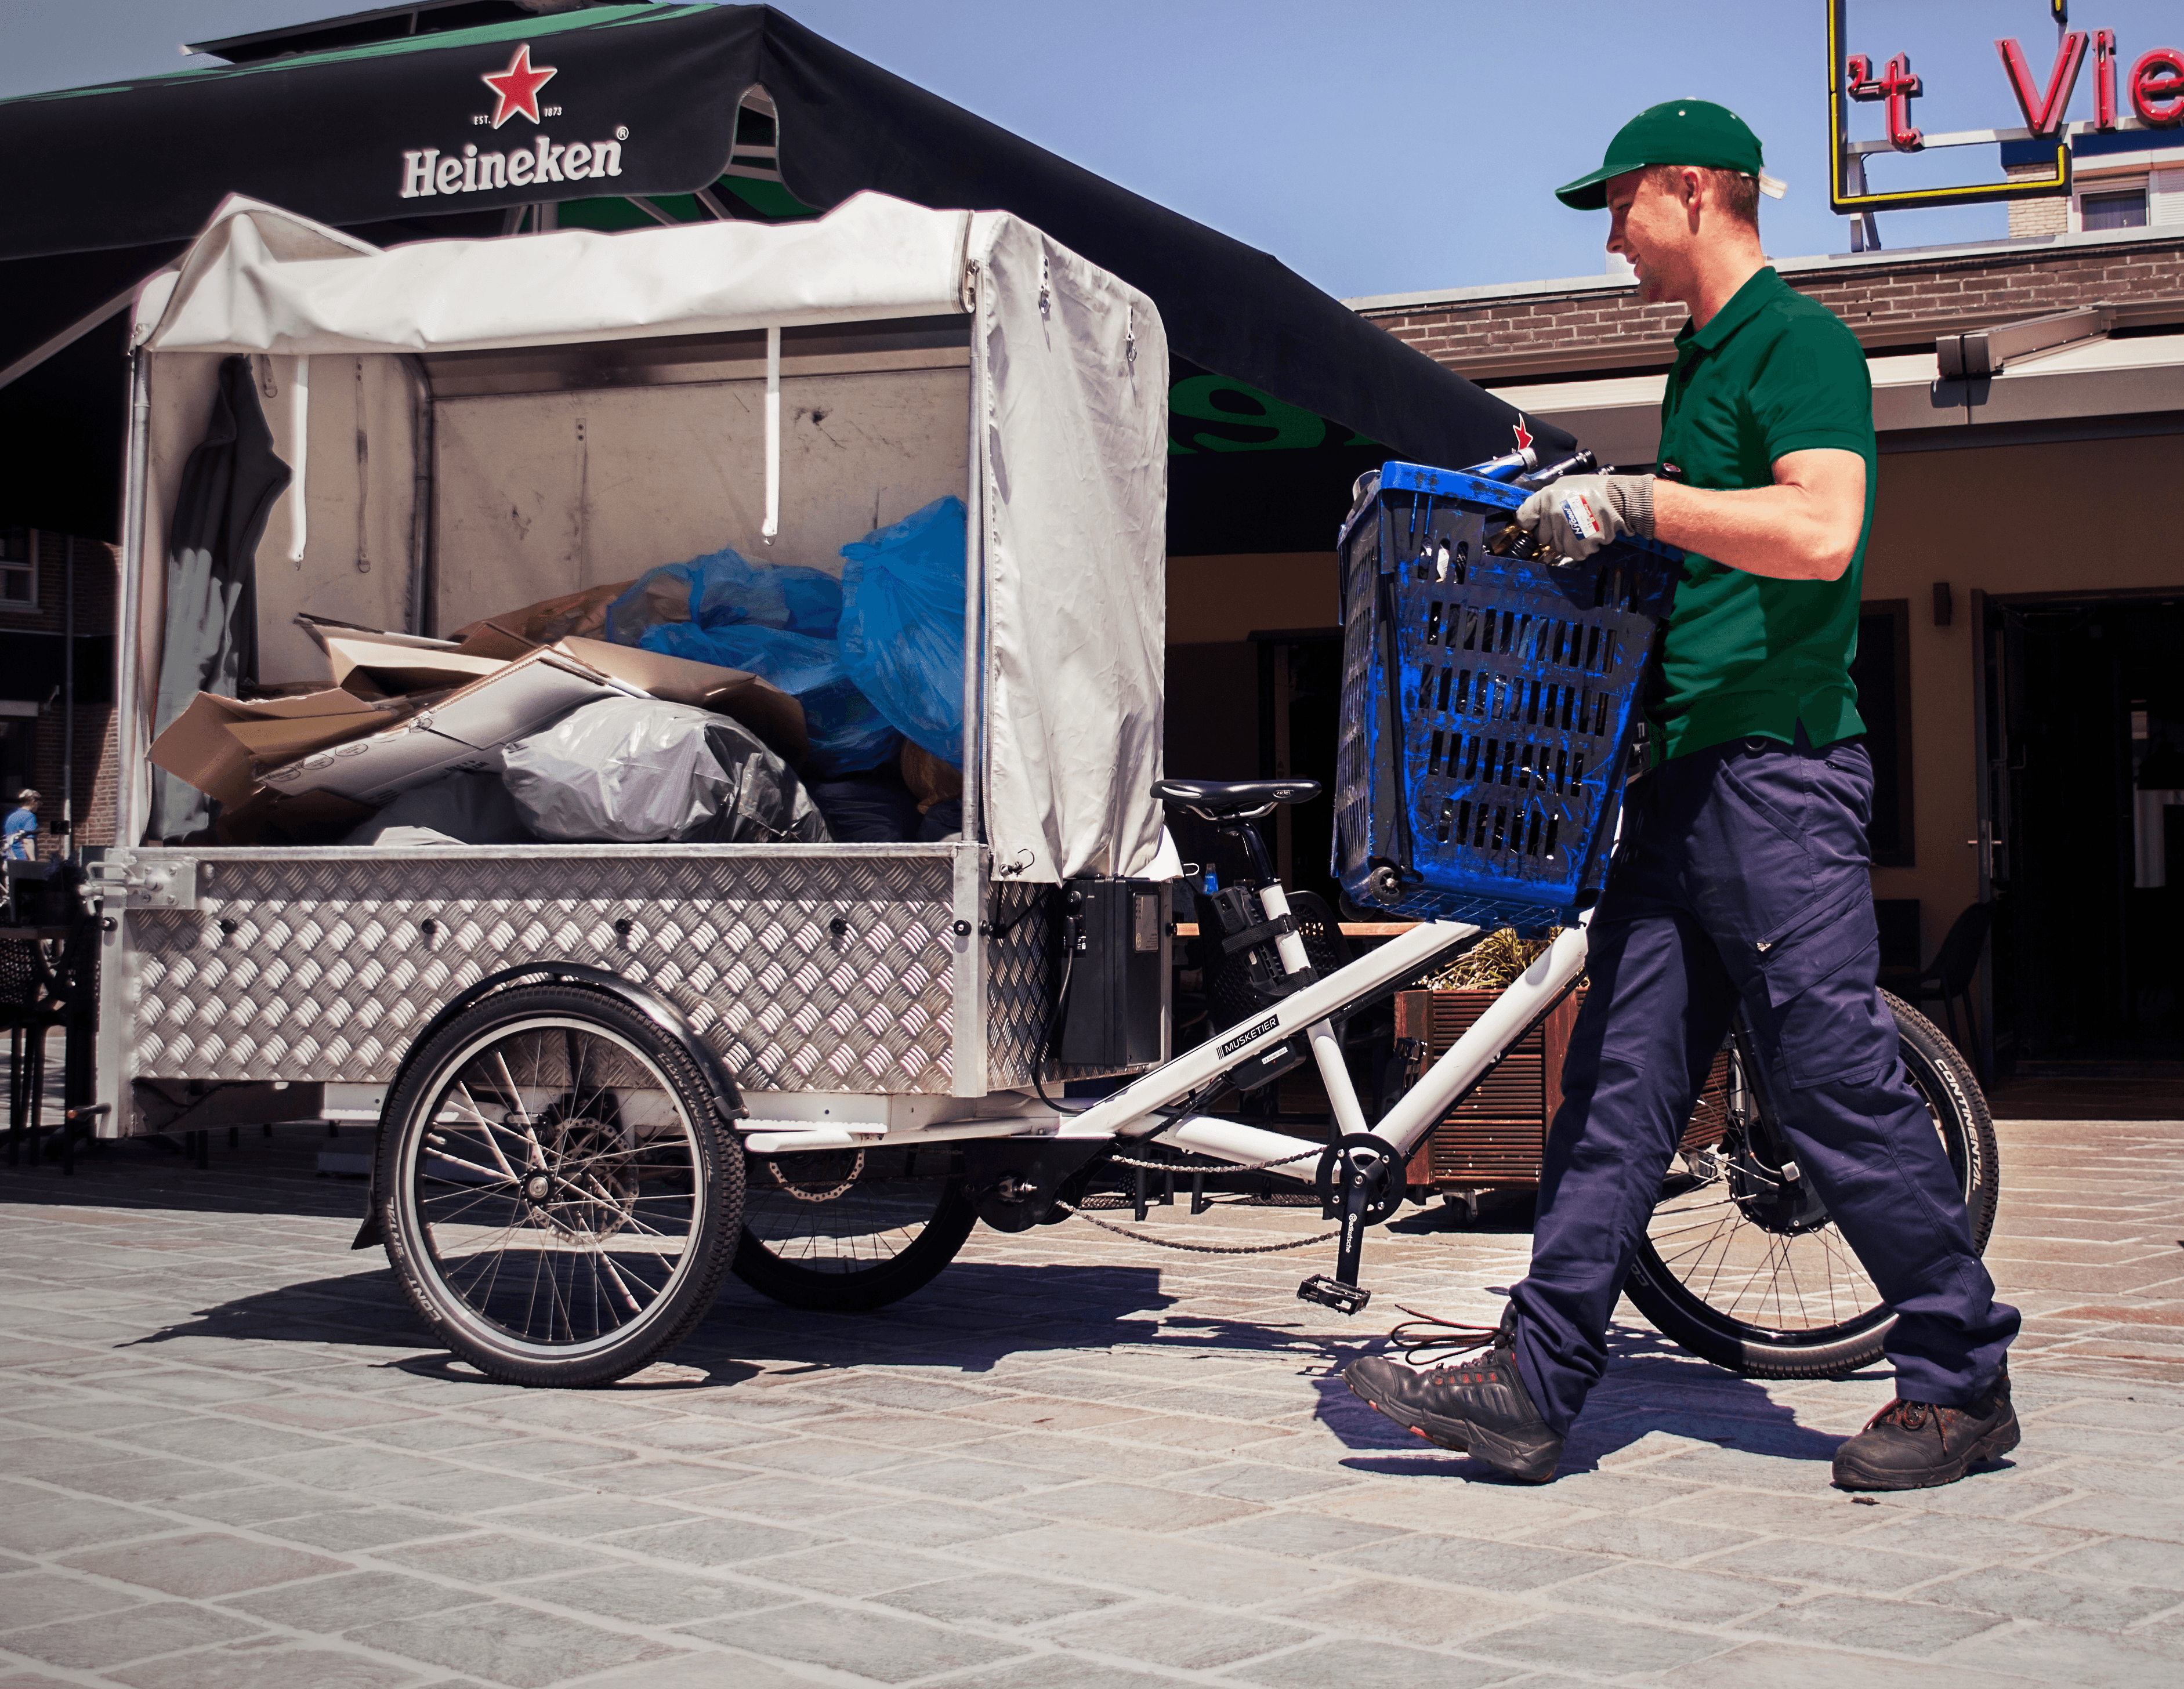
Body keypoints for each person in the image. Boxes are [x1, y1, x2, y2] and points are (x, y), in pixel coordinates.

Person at [1343, 100, 2019, 1491]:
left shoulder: (1796, 343)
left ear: (1690, 190)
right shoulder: (1696, 363)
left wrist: (1641, 504)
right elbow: (1701, 564)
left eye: (1617, 205)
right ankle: (1532, 1386)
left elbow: (1820, 528)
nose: (1606, 235)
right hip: (1679, 780)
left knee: (1829, 1085)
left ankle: (1959, 1384)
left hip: (1775, 776)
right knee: (1612, 1091)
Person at [3, 789, 38, 862]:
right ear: (33, 802)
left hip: (6, 856)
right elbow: (27, 841)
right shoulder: (30, 817)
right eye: (38, 802)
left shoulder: (10, 814)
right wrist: (33, 861)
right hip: (20, 858)